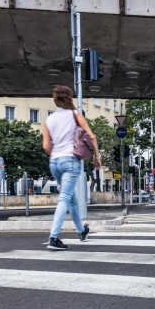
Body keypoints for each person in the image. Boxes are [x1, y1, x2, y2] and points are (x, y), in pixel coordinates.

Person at [42, 85, 101, 250]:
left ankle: (82, 231)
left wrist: (57, 154)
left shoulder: (49, 119)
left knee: (72, 199)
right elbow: (91, 136)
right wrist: (97, 157)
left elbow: (46, 146)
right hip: (70, 161)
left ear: (55, 99)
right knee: (64, 199)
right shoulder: (75, 114)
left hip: (55, 162)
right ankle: (53, 238)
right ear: (69, 98)